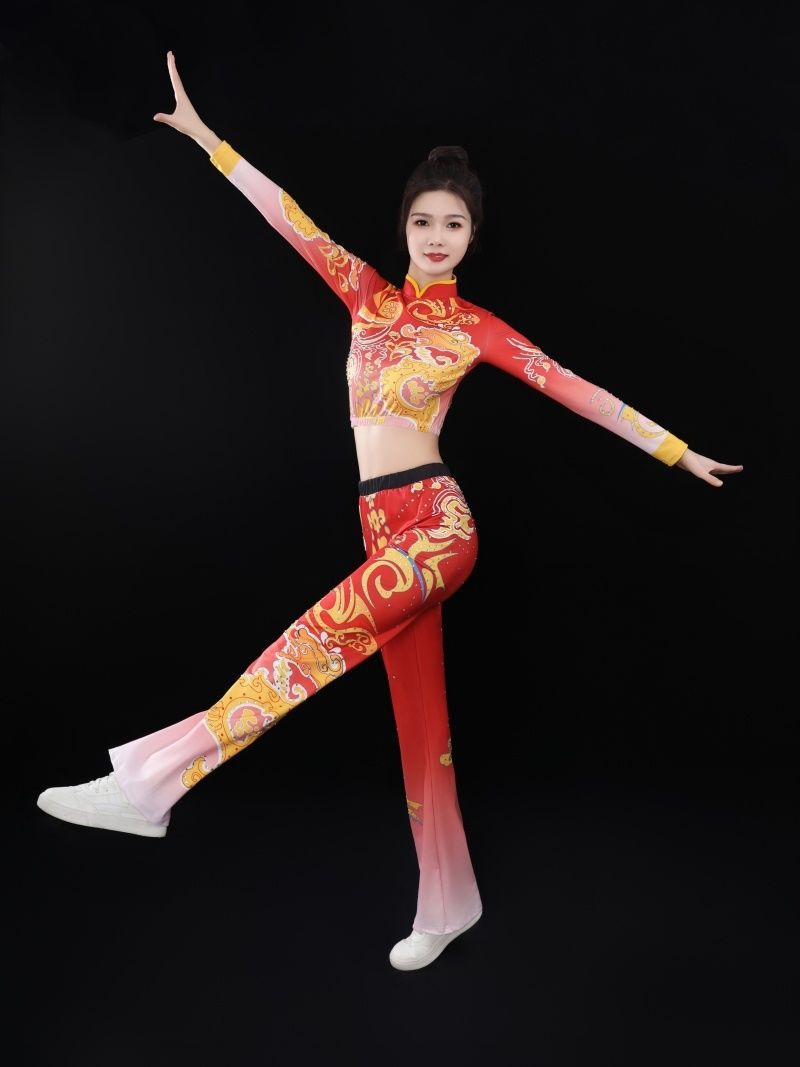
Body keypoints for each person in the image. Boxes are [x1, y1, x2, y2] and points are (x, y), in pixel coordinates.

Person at [36, 50, 744, 972]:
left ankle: (148, 784)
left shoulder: (473, 328)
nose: (437, 235)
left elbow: (576, 388)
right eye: (423, 220)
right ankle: (450, 902)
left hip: (437, 529)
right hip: (378, 522)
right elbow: (290, 218)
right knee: (422, 730)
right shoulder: (367, 296)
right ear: (404, 226)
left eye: (455, 223)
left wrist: (678, 450)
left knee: (307, 644)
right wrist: (208, 140)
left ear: (471, 237)